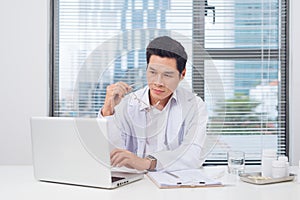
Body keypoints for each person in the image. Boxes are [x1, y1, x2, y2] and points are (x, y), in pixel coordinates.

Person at [98, 36, 208, 171]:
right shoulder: (126, 104)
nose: (158, 82)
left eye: (167, 75)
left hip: (176, 186)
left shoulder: (194, 106)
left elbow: (193, 154)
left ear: (182, 74)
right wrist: (108, 110)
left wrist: (147, 163)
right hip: (133, 184)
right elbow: (108, 154)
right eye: (152, 72)